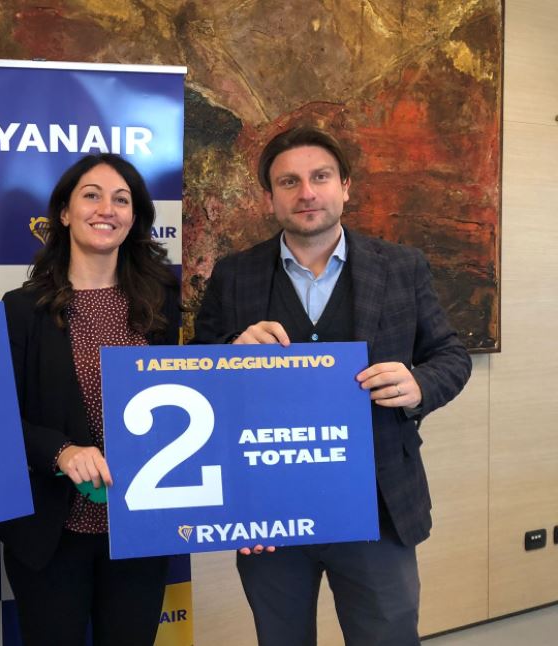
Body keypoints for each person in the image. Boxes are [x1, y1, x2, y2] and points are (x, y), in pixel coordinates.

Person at [193, 125, 472, 645]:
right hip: (269, 511)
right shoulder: (234, 275)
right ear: (269, 197)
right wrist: (231, 351)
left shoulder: (402, 266)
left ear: (345, 186)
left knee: (387, 637)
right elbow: (198, 373)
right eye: (289, 182)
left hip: (378, 505)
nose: (306, 192)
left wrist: (418, 385)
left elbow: (451, 357)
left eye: (320, 177)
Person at [0, 154, 179, 646]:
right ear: (64, 212)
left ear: (134, 218)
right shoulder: (22, 309)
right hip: (51, 535)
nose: (106, 209)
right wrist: (60, 451)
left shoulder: (162, 301)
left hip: (139, 529)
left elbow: (186, 396)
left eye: (121, 199)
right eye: (91, 195)